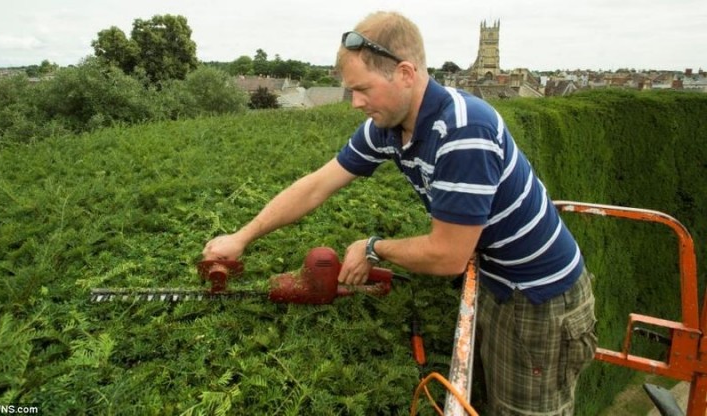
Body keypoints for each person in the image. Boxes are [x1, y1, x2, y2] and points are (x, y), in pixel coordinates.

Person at [203, 11, 597, 415]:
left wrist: (374, 247)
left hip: (538, 300)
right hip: (499, 283)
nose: (355, 102)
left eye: (363, 89)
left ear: (406, 73)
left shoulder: (463, 132)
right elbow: (316, 185)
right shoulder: (389, 128)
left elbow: (447, 256)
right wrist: (241, 237)